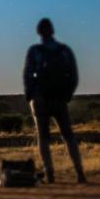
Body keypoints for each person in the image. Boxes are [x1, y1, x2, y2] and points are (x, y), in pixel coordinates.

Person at [23, 18, 86, 184]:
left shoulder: (34, 51)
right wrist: (67, 95)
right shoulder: (65, 51)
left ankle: (49, 172)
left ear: (38, 32)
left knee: (43, 137)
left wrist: (30, 96)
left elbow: (27, 75)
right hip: (59, 99)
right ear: (53, 31)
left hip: (40, 99)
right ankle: (79, 172)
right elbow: (74, 76)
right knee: (68, 136)